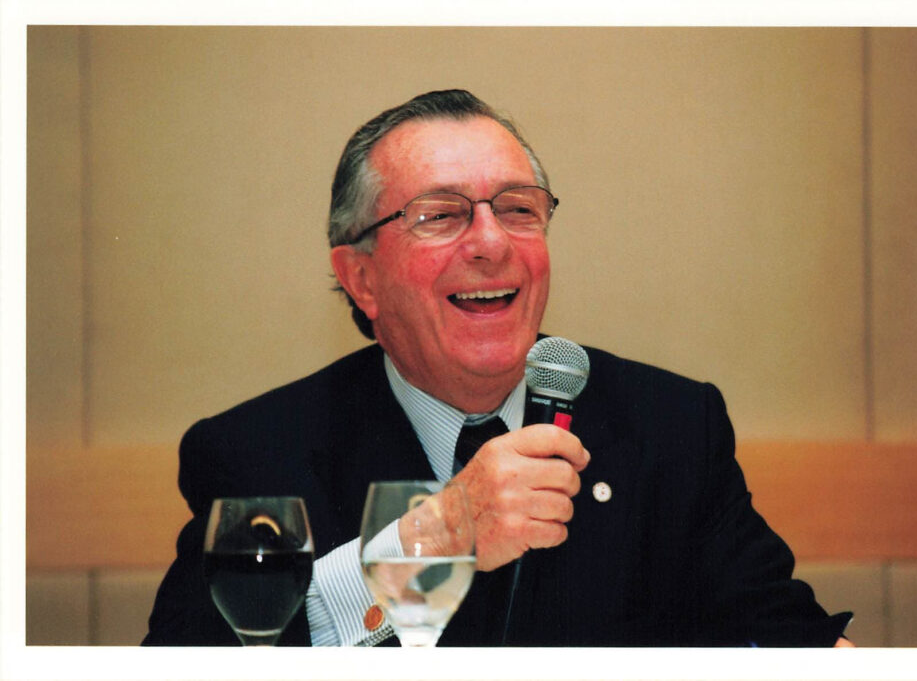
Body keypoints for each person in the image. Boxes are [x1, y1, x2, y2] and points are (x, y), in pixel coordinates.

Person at [143, 89, 852, 647]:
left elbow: (784, 635)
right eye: (441, 215)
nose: (491, 242)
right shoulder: (254, 454)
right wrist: (430, 541)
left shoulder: (670, 426)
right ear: (361, 278)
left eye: (518, 209)